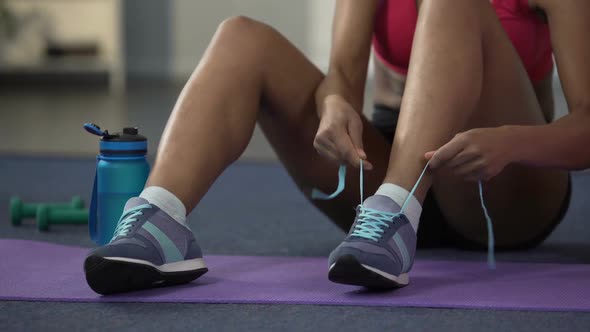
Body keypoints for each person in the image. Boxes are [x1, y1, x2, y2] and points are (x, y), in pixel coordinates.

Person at [83, 0, 590, 295]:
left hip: (500, 181)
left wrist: (509, 142)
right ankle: (160, 218)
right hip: (384, 179)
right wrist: (334, 106)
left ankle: (395, 209)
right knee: (241, 37)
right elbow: (342, 76)